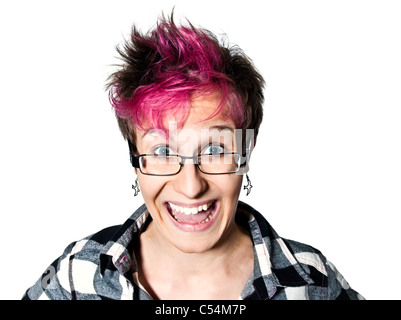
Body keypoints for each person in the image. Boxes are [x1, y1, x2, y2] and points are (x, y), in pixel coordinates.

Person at [22, 13, 364, 300]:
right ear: (134, 156)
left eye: (215, 150)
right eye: (162, 151)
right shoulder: (76, 277)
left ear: (247, 151)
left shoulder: (311, 281)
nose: (190, 186)